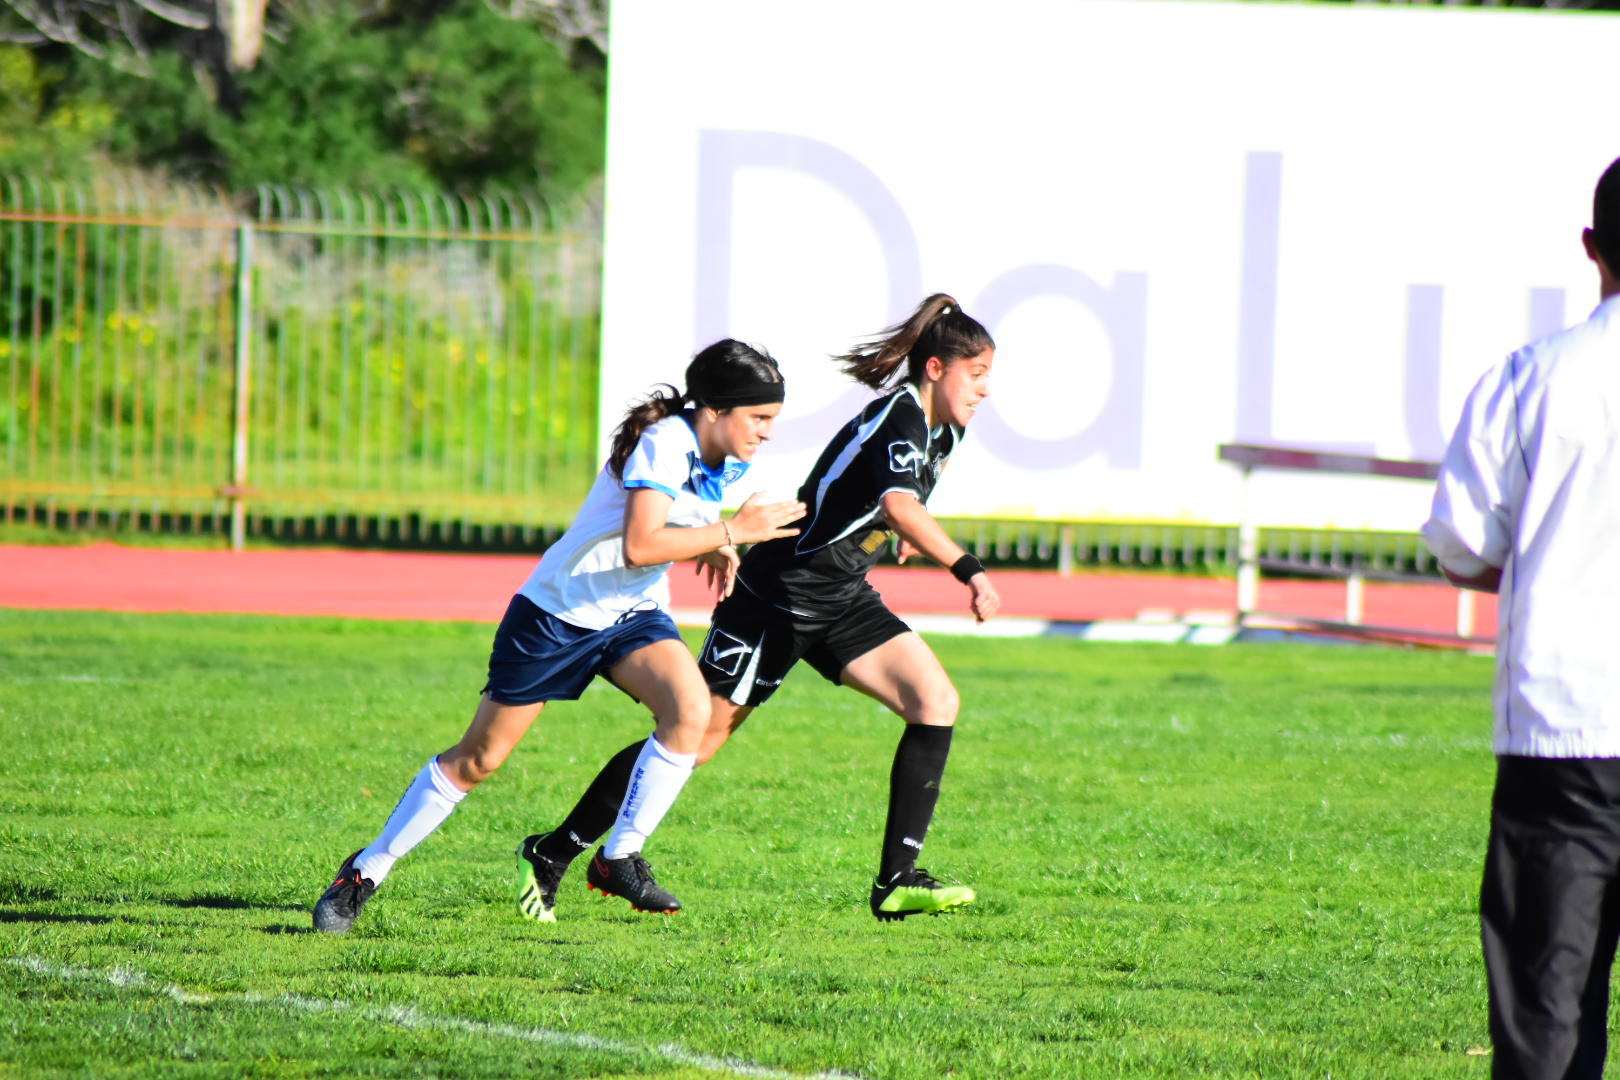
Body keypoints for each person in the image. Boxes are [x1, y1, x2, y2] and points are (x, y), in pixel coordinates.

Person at [517, 293, 1000, 923]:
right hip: (781, 594)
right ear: (936, 368)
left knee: (935, 702)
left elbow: (893, 502)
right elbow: (899, 502)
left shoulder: (947, 427)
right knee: (696, 738)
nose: (984, 389)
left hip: (843, 594)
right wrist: (968, 568)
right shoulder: (900, 417)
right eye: (976, 374)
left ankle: (897, 881)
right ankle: (554, 851)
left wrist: (898, 531)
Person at [312, 339, 805, 933]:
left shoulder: (724, 454)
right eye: (759, 417)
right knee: (478, 760)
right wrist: (732, 530)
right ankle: (365, 870)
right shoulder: (664, 442)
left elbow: (672, 524)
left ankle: (620, 856)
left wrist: (717, 543)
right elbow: (640, 544)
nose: (767, 432)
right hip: (557, 614)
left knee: (691, 711)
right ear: (715, 409)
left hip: (632, 614)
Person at [1422, 156, 1620, 1080]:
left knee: (1547, 1014)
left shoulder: (1531, 378)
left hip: (1562, 732)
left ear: (1592, 247)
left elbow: (1463, 546)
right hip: (1560, 729)